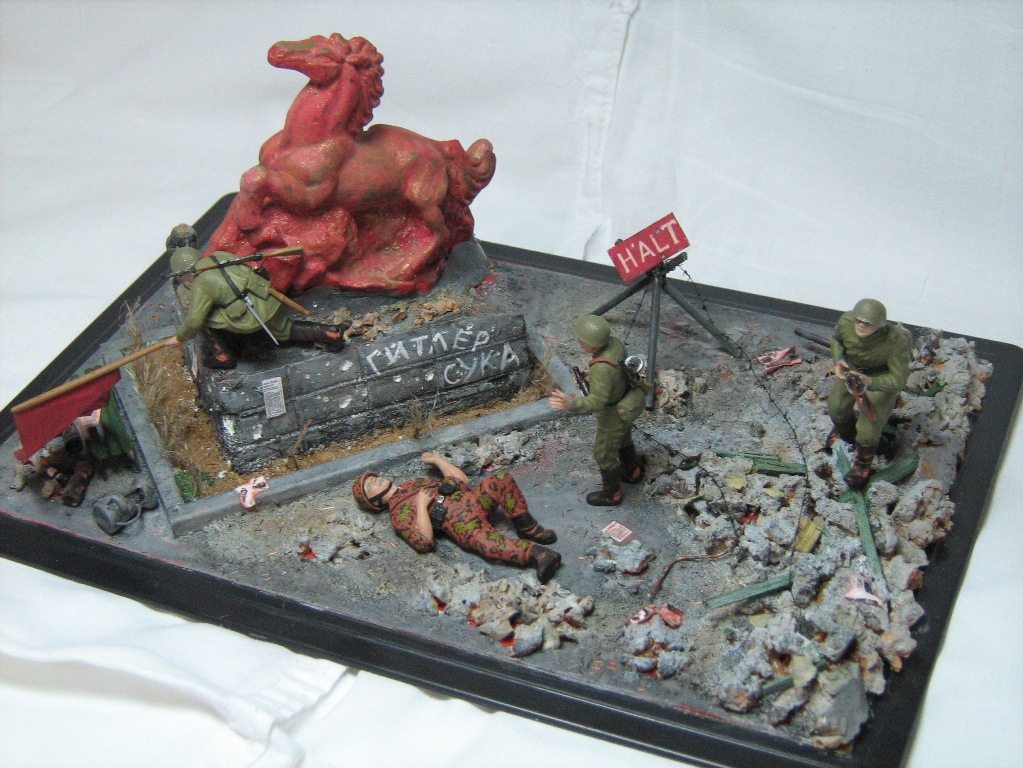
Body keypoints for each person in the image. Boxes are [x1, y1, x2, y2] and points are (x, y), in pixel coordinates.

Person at [352, 452, 562, 583]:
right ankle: (539, 554)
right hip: (462, 524)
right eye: (369, 487)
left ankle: (527, 526)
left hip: (472, 500)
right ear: (374, 502)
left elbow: (460, 481)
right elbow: (423, 542)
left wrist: (438, 461)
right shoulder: (398, 514)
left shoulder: (412, 484)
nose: (375, 481)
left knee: (500, 479)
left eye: (373, 479)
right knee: (487, 544)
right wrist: (422, 506)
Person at [169, 245, 347, 369]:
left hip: (250, 315)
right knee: (286, 329)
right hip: (267, 298)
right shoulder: (221, 256)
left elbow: (194, 320)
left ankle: (223, 357)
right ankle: (331, 333)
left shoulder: (201, 283)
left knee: (205, 322)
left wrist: (180, 337)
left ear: (185, 272)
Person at [548, 314, 647, 506]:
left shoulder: (601, 368)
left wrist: (571, 404)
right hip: (627, 401)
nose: (580, 344)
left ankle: (612, 494)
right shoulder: (615, 344)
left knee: (603, 453)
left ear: (594, 346)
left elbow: (597, 402)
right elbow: (616, 372)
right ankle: (633, 471)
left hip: (612, 413)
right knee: (624, 438)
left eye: (582, 342)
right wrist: (592, 377)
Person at [827, 298, 913, 489]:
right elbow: (837, 340)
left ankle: (862, 464)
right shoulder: (846, 322)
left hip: (880, 379)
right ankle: (849, 436)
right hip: (852, 371)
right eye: (859, 320)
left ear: (879, 326)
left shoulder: (895, 341)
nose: (861, 325)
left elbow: (898, 379)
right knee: (836, 409)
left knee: (868, 430)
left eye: (867, 323)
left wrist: (870, 382)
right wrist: (839, 359)